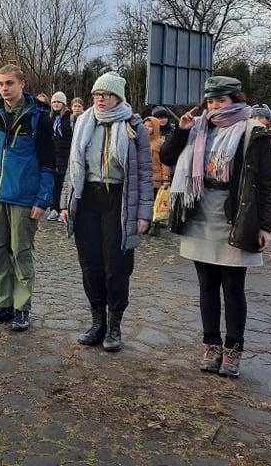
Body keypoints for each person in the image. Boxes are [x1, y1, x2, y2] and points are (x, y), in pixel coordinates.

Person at [160, 76, 271, 379]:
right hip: (200, 213)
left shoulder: (254, 132)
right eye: (210, 101)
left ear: (235, 101)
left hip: (236, 216)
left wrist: (267, 226)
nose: (214, 107)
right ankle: (211, 345)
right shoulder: (199, 128)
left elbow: (266, 183)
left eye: (221, 101)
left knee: (233, 288)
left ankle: (233, 349)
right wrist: (181, 130)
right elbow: (167, 158)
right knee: (207, 286)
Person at [60, 72, 153, 352]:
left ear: (119, 97)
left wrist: (144, 214)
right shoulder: (83, 122)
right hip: (87, 196)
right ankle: (97, 320)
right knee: (90, 264)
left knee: (117, 265)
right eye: (96, 94)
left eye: (106, 94)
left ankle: (114, 324)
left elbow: (145, 174)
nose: (100, 99)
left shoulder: (133, 126)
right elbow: (73, 165)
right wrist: (66, 201)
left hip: (119, 200)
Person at [0, 65, 56, 332]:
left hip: (23, 197)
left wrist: (42, 199)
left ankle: (21, 307)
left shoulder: (39, 118)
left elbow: (48, 163)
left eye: (9, 83)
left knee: (20, 252)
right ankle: (2, 303)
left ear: (22, 84)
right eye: (0, 84)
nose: (4, 88)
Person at [47, 92, 73, 221]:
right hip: (54, 154)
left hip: (66, 154)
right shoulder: (50, 118)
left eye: (58, 102)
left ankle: (64, 208)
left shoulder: (69, 118)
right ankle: (54, 208)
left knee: (65, 184)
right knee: (54, 183)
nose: (56, 104)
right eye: (54, 102)